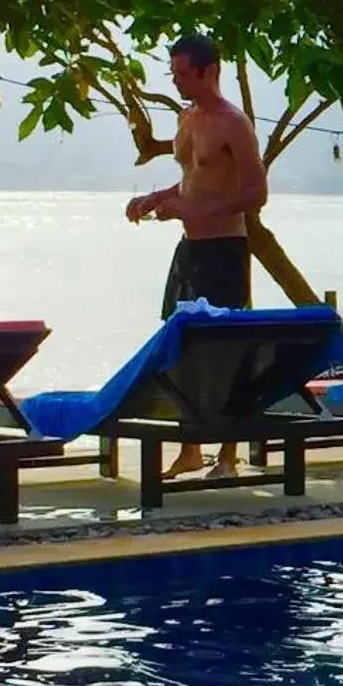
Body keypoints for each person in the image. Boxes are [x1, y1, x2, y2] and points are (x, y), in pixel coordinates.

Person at [124, 33, 269, 479]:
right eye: (174, 74)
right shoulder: (187, 120)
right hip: (190, 249)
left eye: (185, 74)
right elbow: (191, 181)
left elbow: (255, 193)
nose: (179, 82)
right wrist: (155, 198)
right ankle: (189, 447)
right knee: (181, 346)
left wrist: (194, 209)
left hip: (225, 248)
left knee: (227, 351)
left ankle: (227, 455)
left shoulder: (234, 123)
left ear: (211, 71)